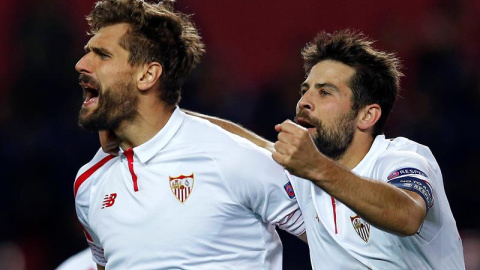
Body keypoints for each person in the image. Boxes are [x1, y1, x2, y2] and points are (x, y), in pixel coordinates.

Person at [108, 30, 464, 269]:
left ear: (367, 114)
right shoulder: (308, 177)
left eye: (325, 93)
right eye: (305, 89)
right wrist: (151, 120)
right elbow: (248, 142)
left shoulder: (402, 158)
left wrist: (316, 169)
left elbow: (407, 216)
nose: (305, 101)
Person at [73, 0, 305, 269]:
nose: (81, 63)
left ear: (148, 75)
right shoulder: (89, 183)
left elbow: (337, 245)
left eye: (103, 55)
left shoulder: (233, 157)